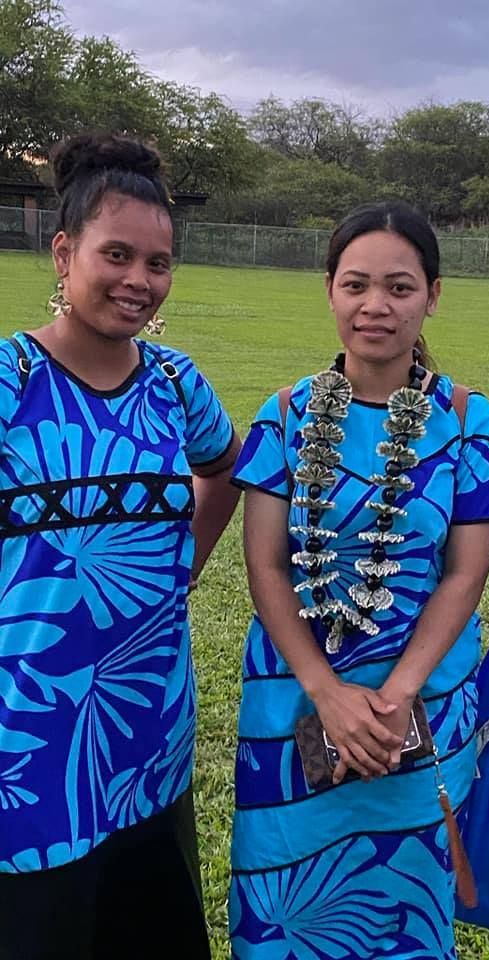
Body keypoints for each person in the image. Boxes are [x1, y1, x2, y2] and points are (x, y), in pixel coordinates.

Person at [228, 200, 489, 959]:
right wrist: (327, 693)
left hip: (419, 706)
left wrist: (394, 699)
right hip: (293, 697)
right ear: (329, 289)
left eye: (399, 286)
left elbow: (465, 575)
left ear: (433, 294)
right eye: (356, 285)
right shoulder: (284, 415)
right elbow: (263, 564)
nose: (375, 306)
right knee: (285, 902)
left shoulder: (470, 422)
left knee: (407, 907)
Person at [0, 133, 240, 959]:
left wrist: (178, 574)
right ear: (63, 254)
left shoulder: (176, 385)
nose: (139, 280)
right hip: (26, 742)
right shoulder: (12, 379)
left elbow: (224, 466)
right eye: (116, 255)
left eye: (159, 262)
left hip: (149, 728)